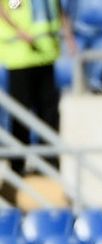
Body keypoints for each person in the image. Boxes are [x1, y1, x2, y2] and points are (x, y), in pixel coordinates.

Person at [0, 0, 74, 202]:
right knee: (20, 117)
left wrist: (68, 35)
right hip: (20, 56)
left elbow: (58, 9)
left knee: (49, 114)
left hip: (46, 53)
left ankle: (50, 165)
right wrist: (18, 31)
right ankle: (17, 168)